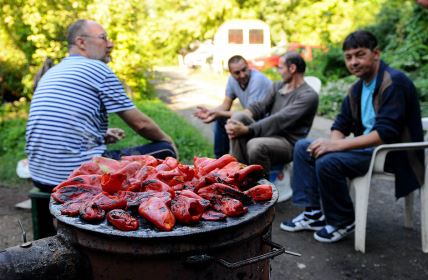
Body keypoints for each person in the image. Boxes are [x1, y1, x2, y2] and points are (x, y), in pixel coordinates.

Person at [280, 30, 424, 243]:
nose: (353, 62)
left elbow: (386, 133)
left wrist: (335, 147)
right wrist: (332, 142)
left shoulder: (394, 82)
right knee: (304, 147)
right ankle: (314, 213)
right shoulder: (356, 88)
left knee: (329, 161)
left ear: (376, 53)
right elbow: (341, 124)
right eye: (348, 57)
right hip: (367, 149)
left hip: (394, 154)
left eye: (360, 54)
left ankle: (342, 220)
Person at [25, 19, 178, 191]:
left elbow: (60, 125)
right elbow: (140, 124)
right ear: (81, 42)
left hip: (41, 177)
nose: (110, 44)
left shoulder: (53, 72)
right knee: (165, 150)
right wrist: (168, 140)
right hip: (75, 177)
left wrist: (100, 135)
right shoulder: (97, 69)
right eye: (104, 38)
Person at [224, 51, 319, 175]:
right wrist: (234, 123)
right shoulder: (278, 86)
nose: (278, 71)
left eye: (280, 67)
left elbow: (280, 119)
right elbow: (261, 106)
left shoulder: (308, 96)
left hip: (288, 143)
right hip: (270, 134)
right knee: (238, 117)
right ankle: (238, 174)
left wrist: (248, 130)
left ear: (292, 68)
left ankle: (260, 188)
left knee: (255, 145)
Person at [194, 55, 272, 158]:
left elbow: (249, 114)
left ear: (248, 66)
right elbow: (226, 105)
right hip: (252, 118)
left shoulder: (257, 80)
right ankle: (220, 160)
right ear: (230, 73)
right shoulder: (232, 80)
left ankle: (237, 163)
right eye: (237, 73)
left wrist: (218, 114)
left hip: (266, 122)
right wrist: (211, 112)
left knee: (235, 120)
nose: (242, 75)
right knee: (222, 118)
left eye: (244, 70)